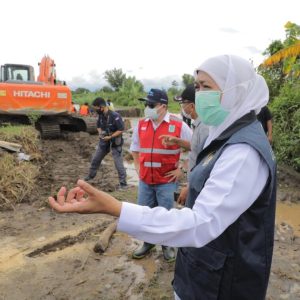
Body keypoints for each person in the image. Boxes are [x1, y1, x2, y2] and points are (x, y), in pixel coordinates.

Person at [49, 55, 277, 300]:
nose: (199, 95)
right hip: (202, 267)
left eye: (207, 87)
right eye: (197, 86)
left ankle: (165, 247)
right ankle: (151, 243)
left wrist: (115, 208)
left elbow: (200, 224)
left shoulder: (243, 152)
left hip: (222, 283)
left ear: (236, 91)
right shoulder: (223, 132)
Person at [130, 88, 192, 262]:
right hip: (145, 181)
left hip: (166, 180)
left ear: (163, 106)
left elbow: (195, 148)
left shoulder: (179, 124)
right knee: (145, 213)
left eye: (150, 104)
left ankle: (167, 245)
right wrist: (137, 168)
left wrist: (183, 169)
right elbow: (134, 150)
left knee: (165, 214)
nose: (146, 107)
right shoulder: (141, 124)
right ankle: (148, 243)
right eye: (145, 104)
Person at [160, 84, 209, 205]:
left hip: (198, 186)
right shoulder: (199, 124)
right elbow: (196, 147)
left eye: (183, 103)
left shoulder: (204, 128)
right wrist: (177, 141)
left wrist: (189, 186)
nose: (182, 107)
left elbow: (205, 162)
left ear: (191, 106)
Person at [84, 97, 127, 190]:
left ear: (102, 107)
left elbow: (121, 129)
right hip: (104, 140)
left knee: (118, 162)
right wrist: (100, 133)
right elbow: (98, 126)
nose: (95, 110)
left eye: (96, 108)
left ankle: (123, 184)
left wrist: (111, 137)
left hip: (115, 140)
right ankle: (90, 176)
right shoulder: (101, 116)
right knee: (96, 158)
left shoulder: (115, 116)